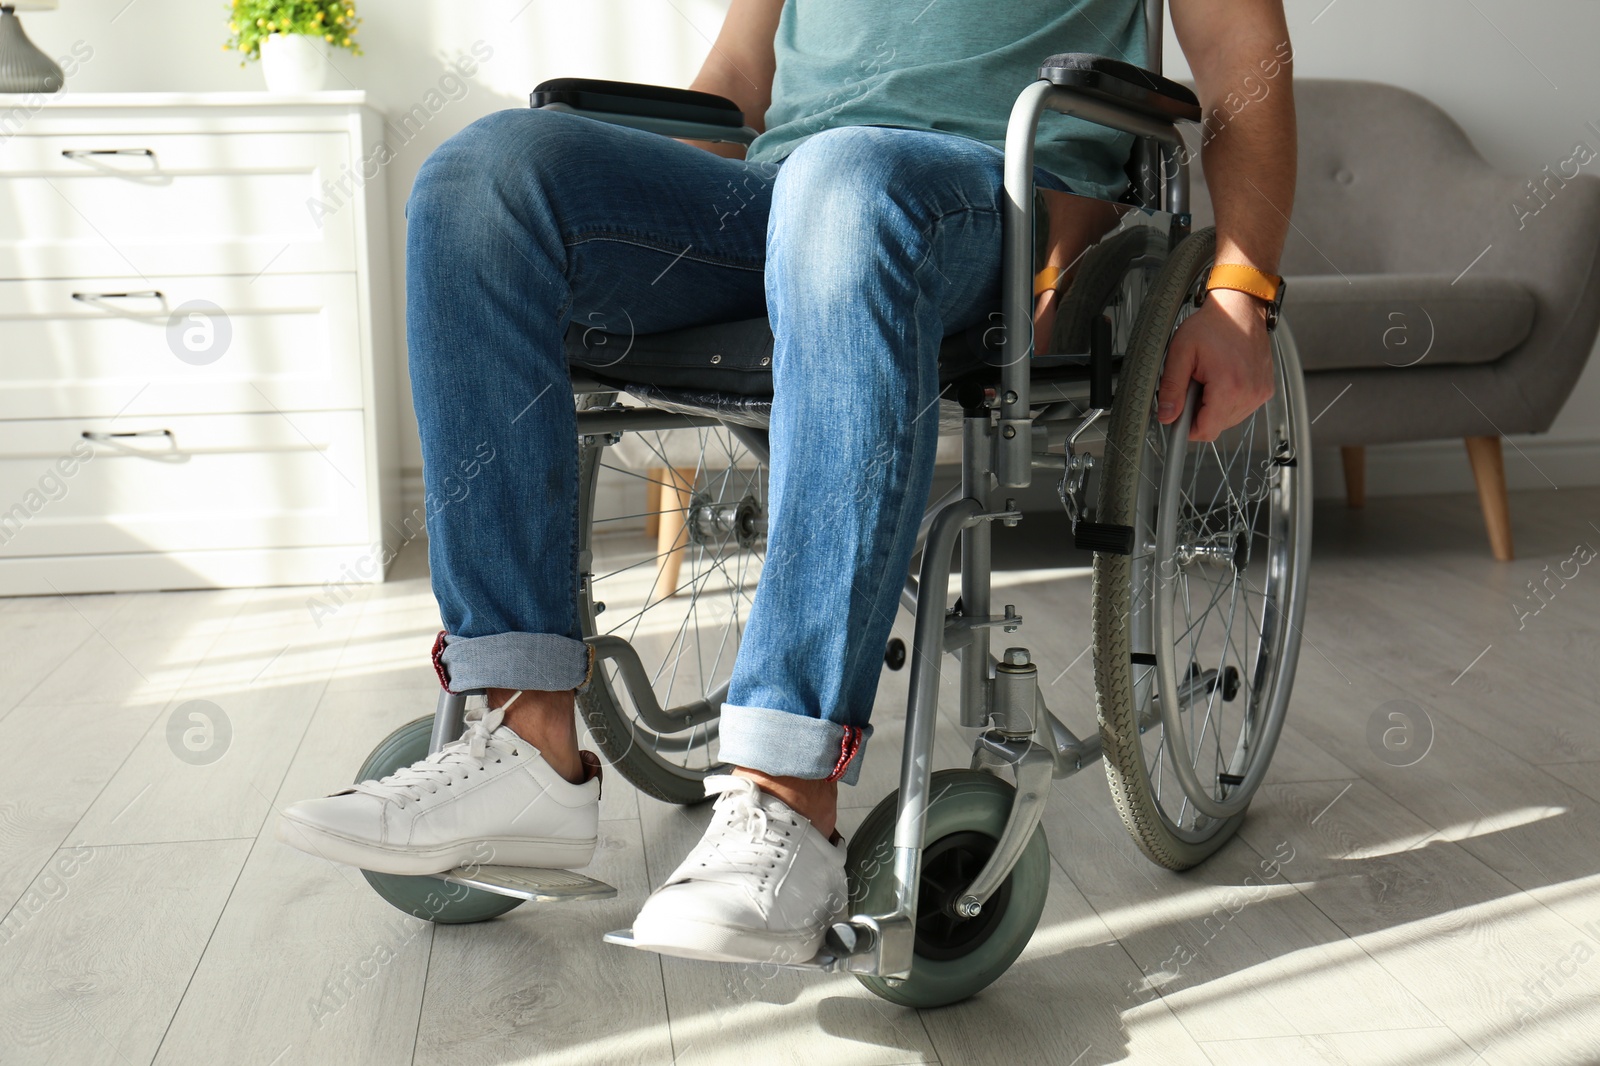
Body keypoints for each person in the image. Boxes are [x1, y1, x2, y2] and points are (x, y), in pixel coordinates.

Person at [277, 0, 1295, 965]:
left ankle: (783, 798)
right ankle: (524, 746)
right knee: (483, 178)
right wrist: (633, 232)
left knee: (844, 182)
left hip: (995, 205)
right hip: (783, 198)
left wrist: (1240, 291)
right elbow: (734, 78)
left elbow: (1241, 52)